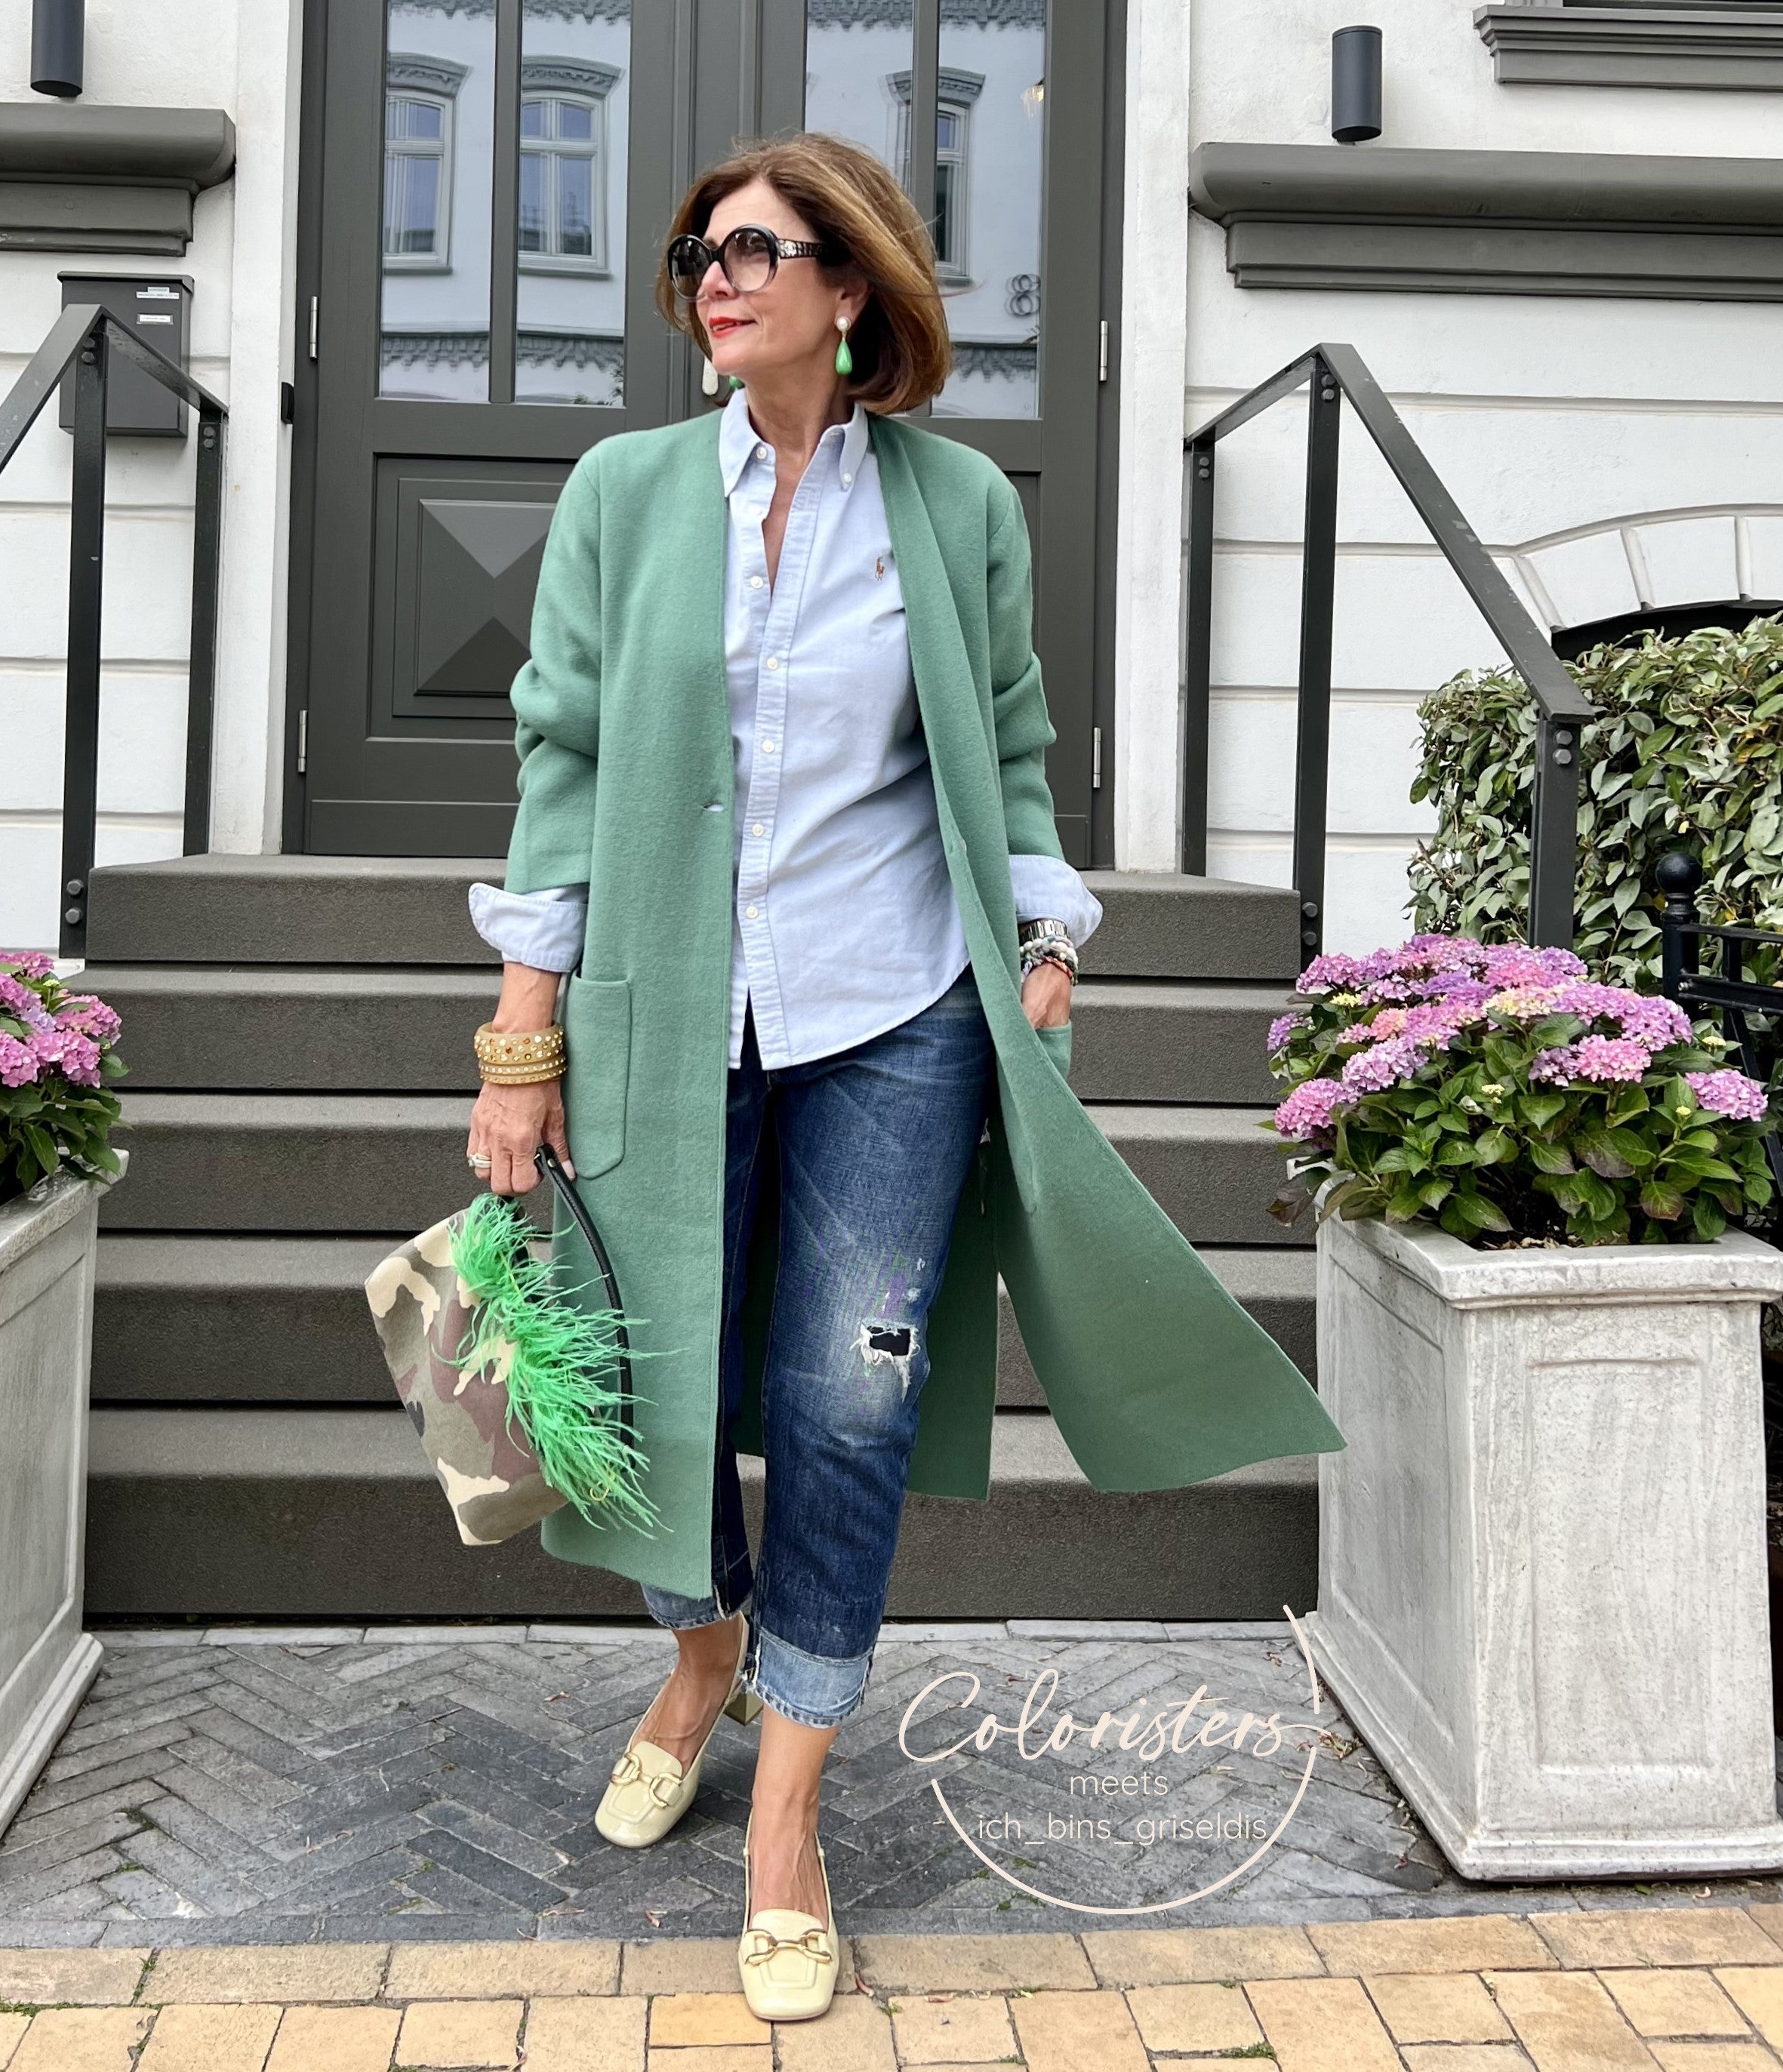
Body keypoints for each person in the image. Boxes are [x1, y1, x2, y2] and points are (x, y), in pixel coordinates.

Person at [464, 134, 1345, 2022]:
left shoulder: (953, 507)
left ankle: (786, 1801)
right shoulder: (623, 493)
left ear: (850, 287)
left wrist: (1042, 944)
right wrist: (517, 1042)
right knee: (647, 1384)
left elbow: (1009, 743)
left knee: (845, 1404)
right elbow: (558, 762)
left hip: (897, 1014)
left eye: (757, 249)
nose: (715, 274)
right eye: (696, 248)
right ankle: (695, 1657)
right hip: (656, 1009)